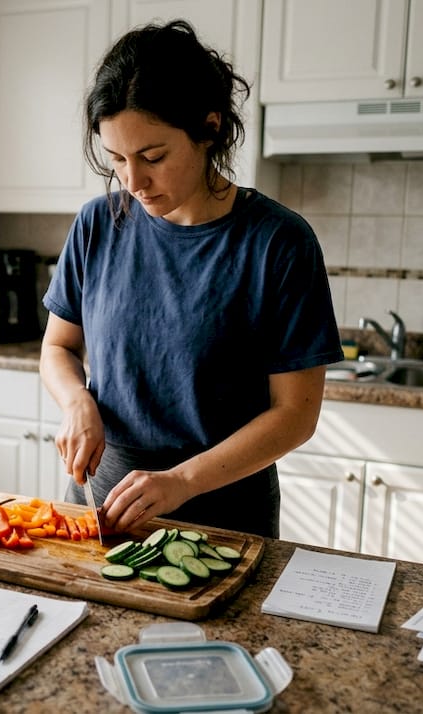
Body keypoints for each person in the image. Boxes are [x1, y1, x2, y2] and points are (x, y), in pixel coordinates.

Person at [40, 20, 342, 538]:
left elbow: (296, 414)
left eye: (153, 157)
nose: (133, 182)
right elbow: (58, 348)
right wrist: (77, 403)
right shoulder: (97, 224)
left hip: (226, 519)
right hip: (99, 507)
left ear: (210, 129)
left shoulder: (279, 242)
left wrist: (182, 480)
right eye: (117, 160)